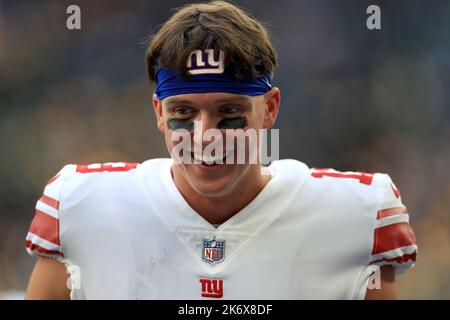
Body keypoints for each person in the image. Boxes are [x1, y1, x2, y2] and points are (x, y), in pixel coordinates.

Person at [24, 1, 417, 300]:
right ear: (159, 113)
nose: (206, 136)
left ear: (270, 109)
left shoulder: (356, 217)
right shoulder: (81, 209)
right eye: (184, 112)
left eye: (229, 111)